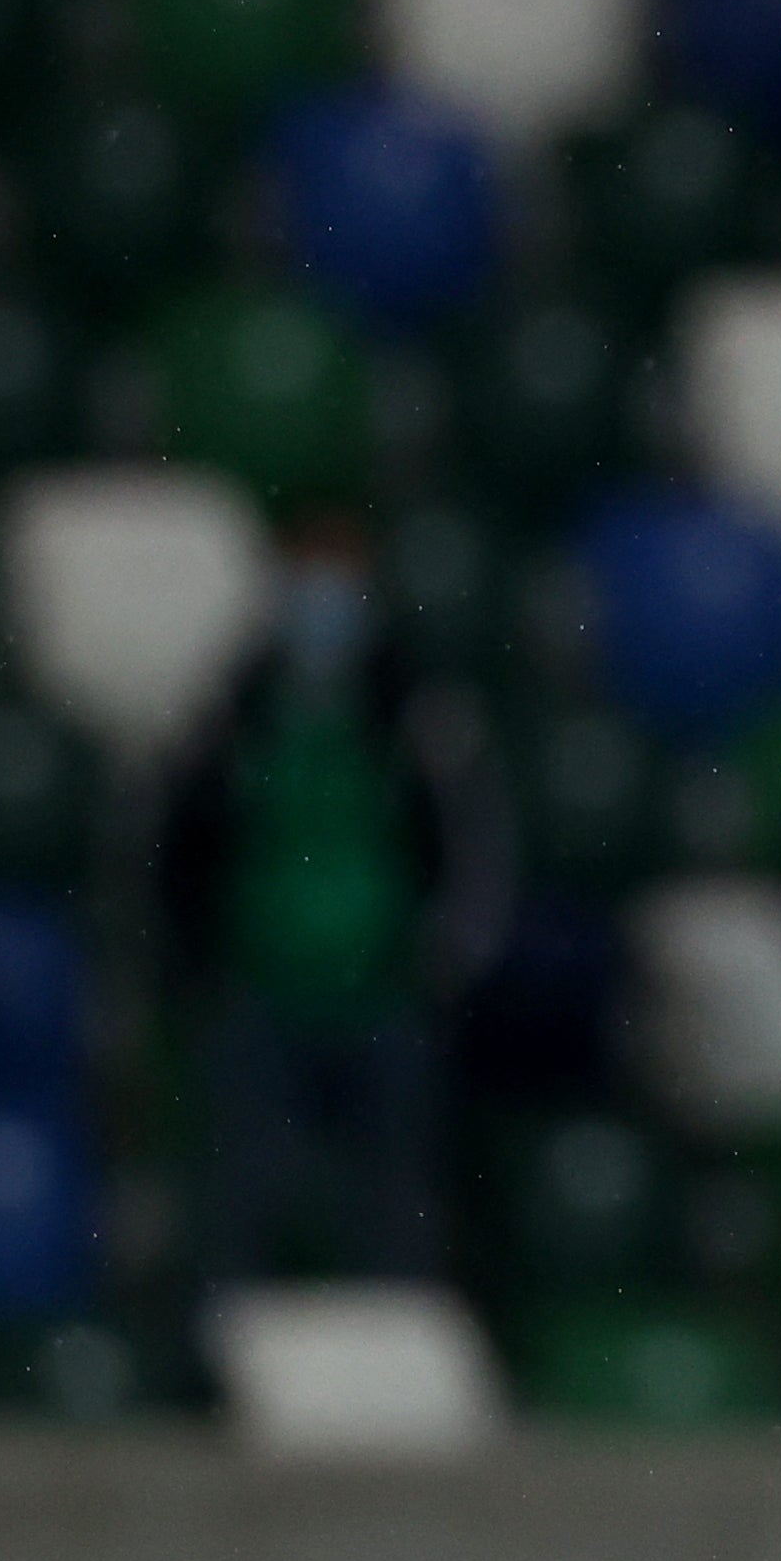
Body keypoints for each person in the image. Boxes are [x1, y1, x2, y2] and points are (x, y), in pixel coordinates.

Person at [158, 515, 497, 1284]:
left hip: (382, 996)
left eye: (339, 578)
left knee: (396, 1207)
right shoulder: (234, 708)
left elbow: (468, 844)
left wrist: (442, 960)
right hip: (259, 993)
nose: (323, 600)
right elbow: (179, 848)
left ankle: (399, 1359)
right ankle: (224, 1362)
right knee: (241, 1199)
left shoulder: (414, 707)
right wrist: (196, 966)